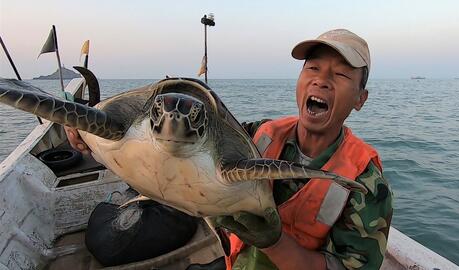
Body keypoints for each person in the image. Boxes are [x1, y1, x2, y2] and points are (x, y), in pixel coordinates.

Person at [65, 28, 393, 270]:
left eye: (339, 74)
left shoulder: (365, 182)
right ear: (299, 79)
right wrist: (86, 132)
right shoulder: (259, 134)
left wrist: (274, 243)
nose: (321, 80)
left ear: (360, 99)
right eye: (313, 68)